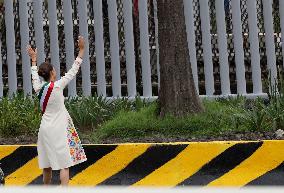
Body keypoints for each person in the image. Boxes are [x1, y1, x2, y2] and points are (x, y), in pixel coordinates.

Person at [27, 36, 87, 185]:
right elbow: (74, 70)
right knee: (63, 165)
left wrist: (34, 60)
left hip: (45, 129)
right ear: (52, 73)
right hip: (59, 128)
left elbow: (34, 76)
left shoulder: (38, 89)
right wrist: (82, 50)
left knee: (46, 166)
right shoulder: (58, 85)